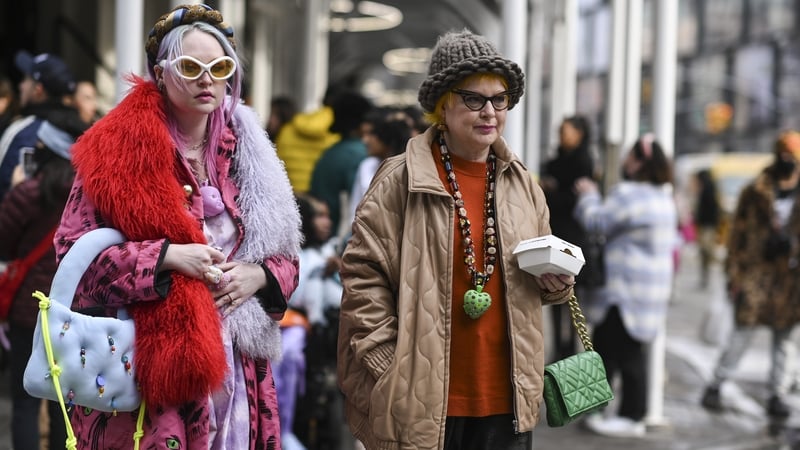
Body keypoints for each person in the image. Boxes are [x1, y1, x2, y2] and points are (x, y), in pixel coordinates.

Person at [52, 4, 301, 448]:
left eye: (219, 66)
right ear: (161, 73)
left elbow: (287, 257)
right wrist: (165, 258)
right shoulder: (115, 153)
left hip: (239, 369)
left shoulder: (250, 154)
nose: (207, 79)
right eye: (191, 66)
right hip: (152, 369)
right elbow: (72, 257)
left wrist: (258, 275)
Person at [336, 29, 575, 450]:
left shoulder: (522, 184)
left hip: (508, 399)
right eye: (473, 98)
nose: (489, 112)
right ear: (443, 106)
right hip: (422, 399)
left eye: (498, 99)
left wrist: (555, 284)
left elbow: (535, 280)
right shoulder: (399, 179)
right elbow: (362, 276)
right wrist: (388, 363)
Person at [573, 134, 678, 438]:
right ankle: (604, 411)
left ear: (638, 162)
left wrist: (589, 195)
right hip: (648, 291)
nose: (624, 161)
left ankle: (630, 415)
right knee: (620, 349)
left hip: (625, 291)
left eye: (630, 156)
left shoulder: (630, 194)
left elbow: (596, 221)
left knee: (617, 352)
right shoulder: (663, 196)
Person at [701, 130, 800, 419]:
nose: (786, 160)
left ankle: (777, 395)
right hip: (756, 274)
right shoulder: (755, 190)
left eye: (792, 156)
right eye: (783, 154)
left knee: (784, 341)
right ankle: (715, 385)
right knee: (741, 334)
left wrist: (792, 245)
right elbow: (736, 238)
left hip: (791, 280)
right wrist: (734, 275)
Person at [0, 120, 79, 450]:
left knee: (25, 401)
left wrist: (16, 187)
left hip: (27, 313)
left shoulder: (28, 193)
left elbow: (4, 244)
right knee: (64, 404)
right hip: (73, 312)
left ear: (44, 153)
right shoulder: (86, 195)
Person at [274, 193, 342, 450]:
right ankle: (283, 431)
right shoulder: (289, 255)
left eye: (327, 216)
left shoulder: (330, 254)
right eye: (319, 216)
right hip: (291, 327)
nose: (326, 222)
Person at [539, 114, 596, 362]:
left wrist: (553, 192)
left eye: (568, 130)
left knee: (573, 297)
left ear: (581, 133)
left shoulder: (585, 162)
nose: (563, 135)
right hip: (554, 234)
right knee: (554, 292)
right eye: (561, 130)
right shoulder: (554, 162)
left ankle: (572, 351)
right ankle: (558, 351)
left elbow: (575, 201)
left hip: (574, 239)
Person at [0, 51, 84, 201]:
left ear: (38, 90)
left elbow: (4, 185)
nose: (21, 86)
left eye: (26, 80)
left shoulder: (25, 131)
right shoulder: (79, 129)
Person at [309, 90, 373, 236]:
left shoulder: (330, 153)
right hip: (341, 237)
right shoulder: (359, 155)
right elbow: (361, 204)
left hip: (322, 234)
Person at [275, 86, 341, 193]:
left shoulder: (288, 129)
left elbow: (276, 165)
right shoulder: (336, 136)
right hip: (320, 197)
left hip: (290, 194)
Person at [348, 110, 412, 220]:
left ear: (385, 139)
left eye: (372, 135)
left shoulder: (408, 169)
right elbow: (355, 206)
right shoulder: (367, 166)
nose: (365, 141)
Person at [691, 168, 721, 288]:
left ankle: (706, 276)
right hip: (710, 226)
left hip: (707, 226)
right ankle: (706, 276)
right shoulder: (712, 189)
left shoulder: (706, 191)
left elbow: (703, 211)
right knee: (706, 252)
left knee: (706, 251)